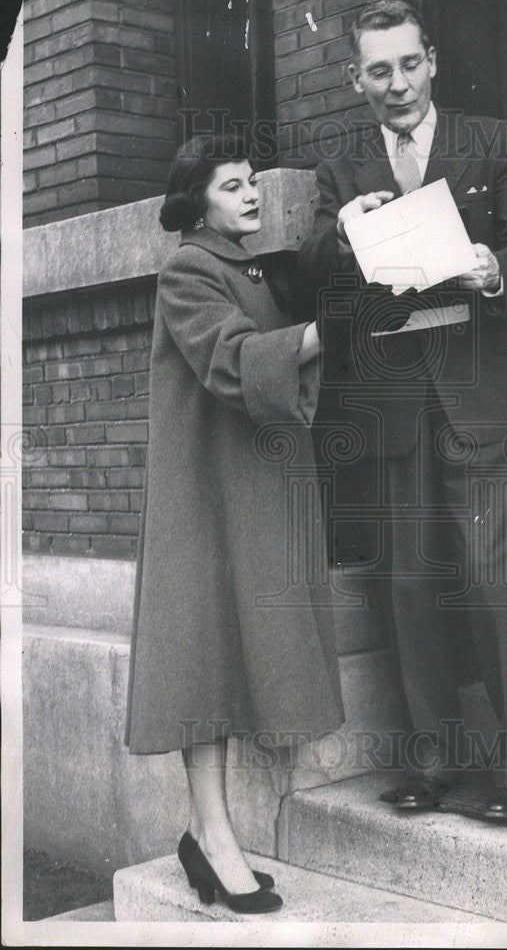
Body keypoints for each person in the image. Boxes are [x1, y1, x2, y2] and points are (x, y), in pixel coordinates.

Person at [297, 0, 507, 820]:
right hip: (396, 403)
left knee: (492, 577)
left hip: (485, 396)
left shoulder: (497, 140)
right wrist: (340, 231)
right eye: (379, 70)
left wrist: (495, 267)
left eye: (409, 64)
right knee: (408, 582)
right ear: (356, 79)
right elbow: (306, 267)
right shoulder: (339, 170)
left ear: (432, 61)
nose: (398, 84)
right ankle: (435, 760)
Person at [125, 135, 344, 912]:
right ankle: (215, 838)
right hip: (204, 504)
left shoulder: (246, 267)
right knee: (201, 665)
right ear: (198, 203)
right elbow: (233, 358)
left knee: (219, 660)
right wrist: (328, 333)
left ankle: (204, 836)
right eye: (231, 187)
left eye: (252, 182)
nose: (250, 195)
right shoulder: (188, 268)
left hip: (240, 496)